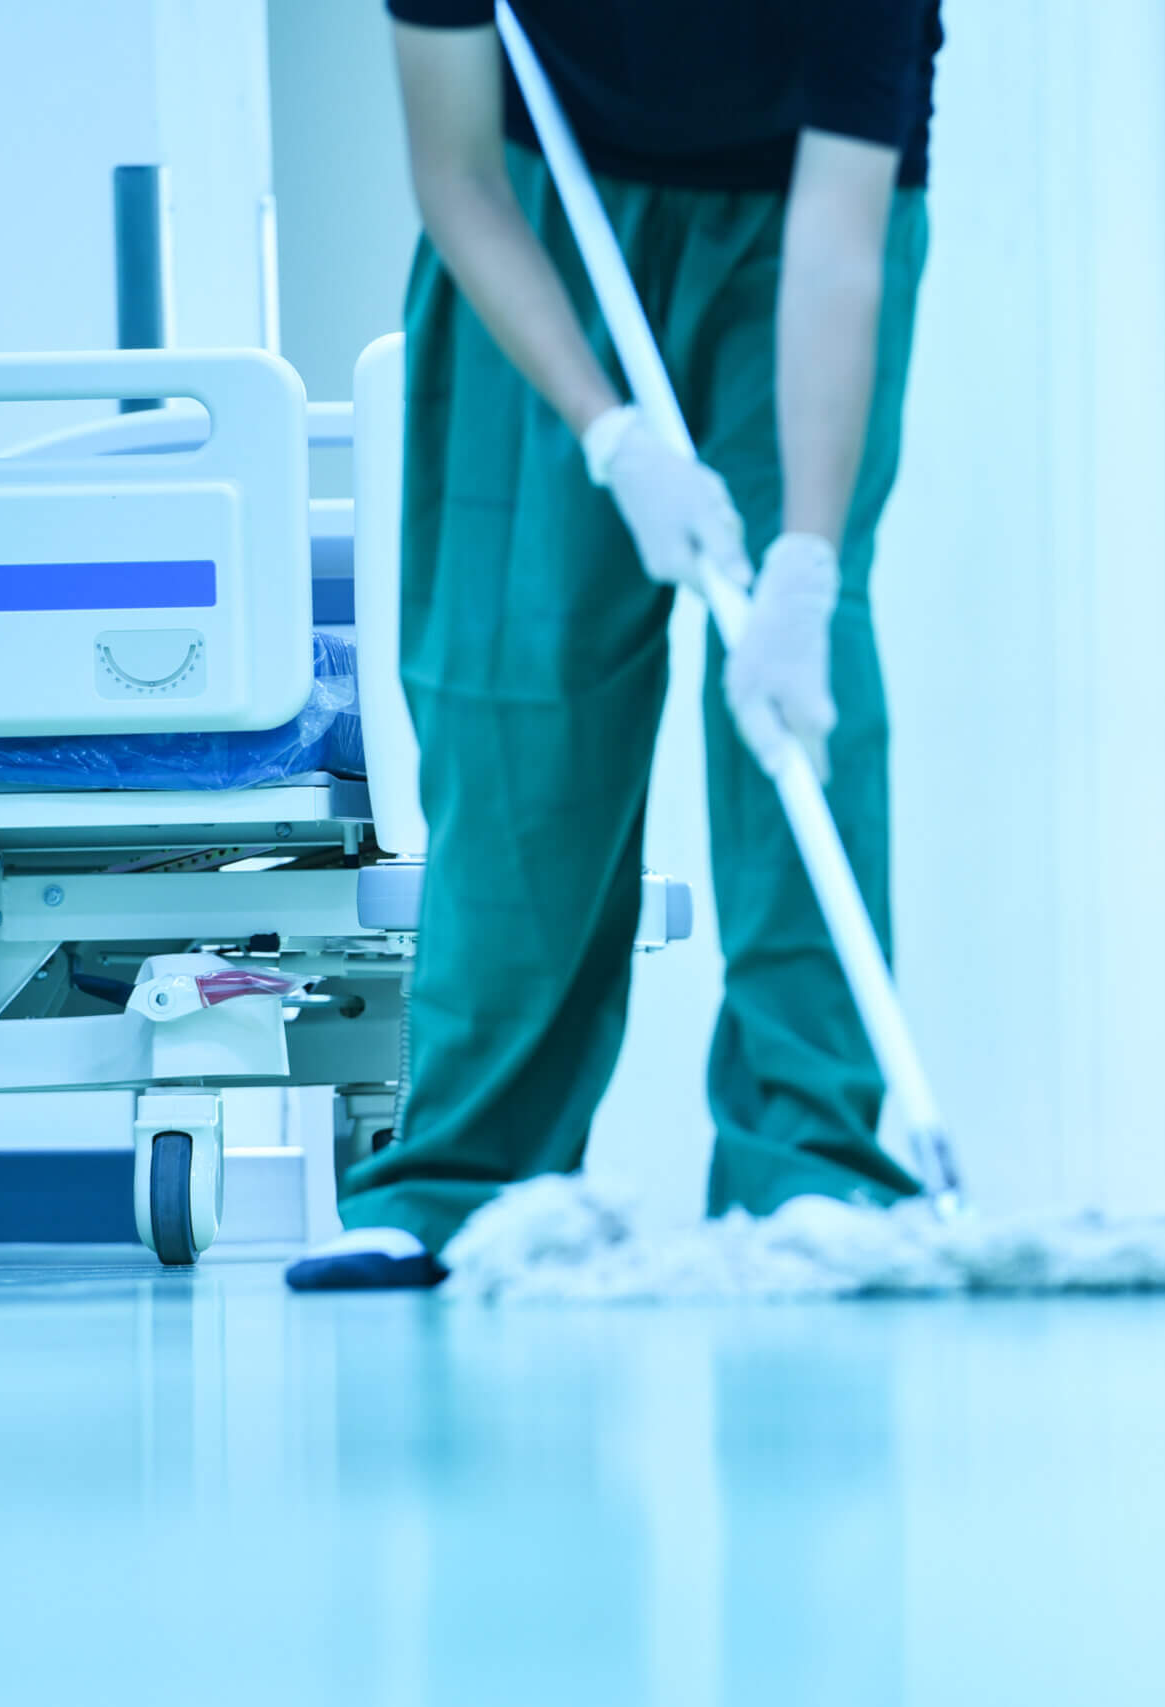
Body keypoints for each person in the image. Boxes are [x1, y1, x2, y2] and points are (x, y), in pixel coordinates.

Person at [290, 0, 943, 1289]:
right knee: (518, 684)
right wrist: (611, 435)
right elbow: (456, 172)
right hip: (538, 216)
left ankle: (812, 1171)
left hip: (794, 245)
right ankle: (462, 1184)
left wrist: (805, 563)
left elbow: (838, 241)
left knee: (799, 705)